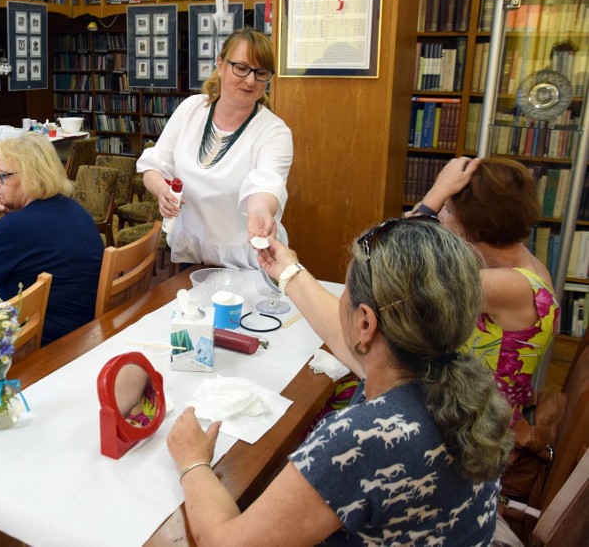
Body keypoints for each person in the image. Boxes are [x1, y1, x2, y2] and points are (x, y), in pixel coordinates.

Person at [168, 218, 513, 544]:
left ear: (366, 324)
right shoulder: (463, 380)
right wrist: (287, 271)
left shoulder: (362, 439)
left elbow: (226, 542)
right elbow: (343, 333)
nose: (340, 305)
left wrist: (192, 461)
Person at [409, 156, 559, 424]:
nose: (440, 217)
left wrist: (435, 193)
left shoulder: (504, 285)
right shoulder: (521, 261)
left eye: (449, 211)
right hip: (474, 405)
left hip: (473, 427)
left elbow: (399, 265)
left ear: (474, 229)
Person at [136, 27, 293, 269]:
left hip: (247, 255)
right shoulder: (191, 109)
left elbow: (266, 184)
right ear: (220, 65)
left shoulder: (274, 132)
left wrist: (260, 211)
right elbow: (155, 166)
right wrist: (161, 190)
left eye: (261, 72)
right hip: (194, 248)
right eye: (241, 68)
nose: (250, 80)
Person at [0, 133, 103, 345]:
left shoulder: (15, 228)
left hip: (47, 345)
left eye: (2, 175)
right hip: (86, 332)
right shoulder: (73, 208)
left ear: (33, 176)